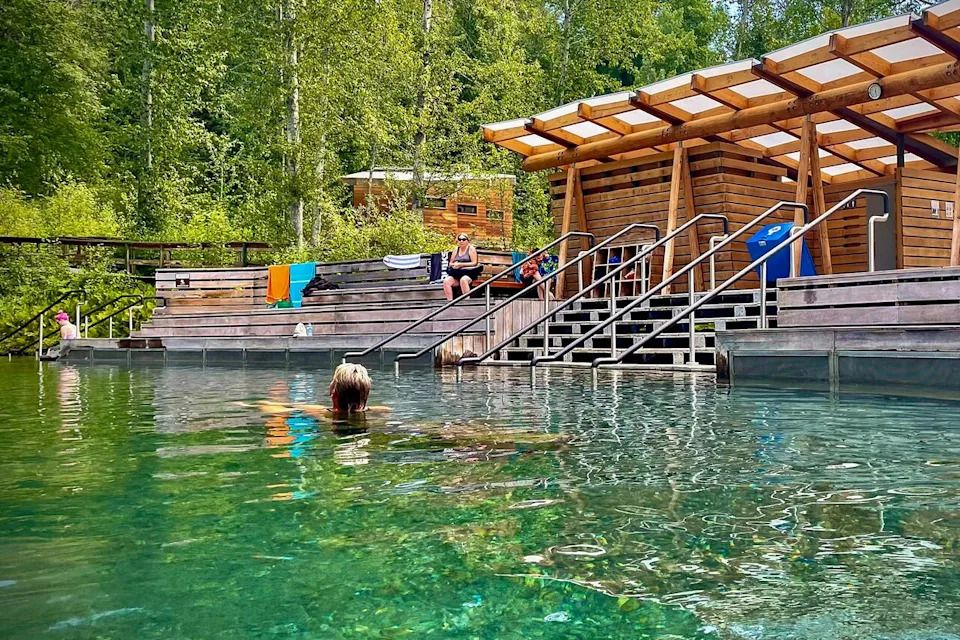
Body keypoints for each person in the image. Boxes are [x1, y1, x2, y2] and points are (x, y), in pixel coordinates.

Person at [442, 233, 482, 301]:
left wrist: (461, 264)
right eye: (459, 239)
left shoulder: (471, 249)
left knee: (463, 280)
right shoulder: (456, 250)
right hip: (456, 273)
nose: (461, 241)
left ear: (467, 241)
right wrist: (454, 265)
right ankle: (449, 301)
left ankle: (466, 301)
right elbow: (450, 263)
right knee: (446, 281)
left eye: (463, 239)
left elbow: (474, 263)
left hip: (468, 273)